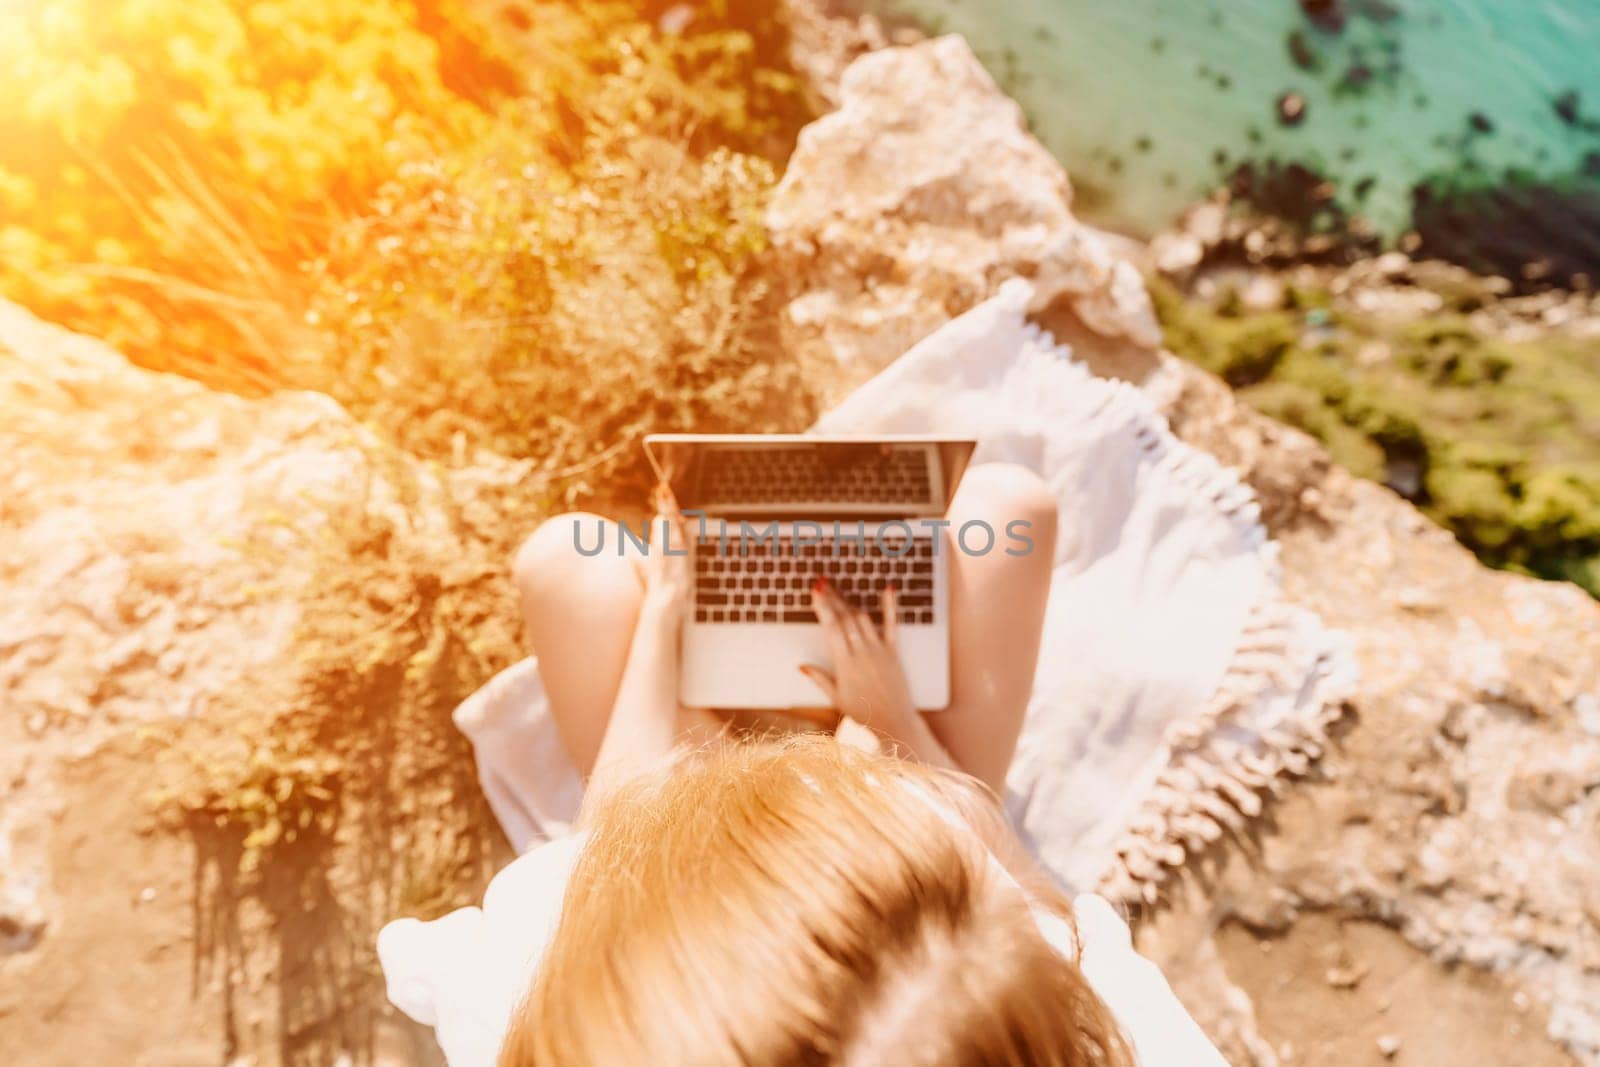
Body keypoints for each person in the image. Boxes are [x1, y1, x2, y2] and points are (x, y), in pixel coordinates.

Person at [406, 464, 1226, 1065]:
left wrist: (664, 623)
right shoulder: (1033, 1001)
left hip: (666, 862)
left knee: (567, 564)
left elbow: (611, 845)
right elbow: (1012, 870)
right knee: (1007, 507)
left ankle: (720, 674)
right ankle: (822, 710)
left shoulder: (582, 1017)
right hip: (890, 815)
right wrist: (888, 719)